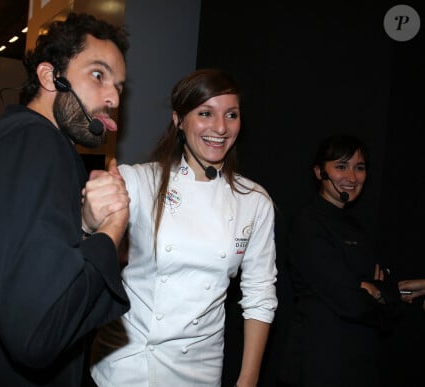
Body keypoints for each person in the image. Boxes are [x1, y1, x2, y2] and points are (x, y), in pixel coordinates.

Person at [0, 13, 131, 386]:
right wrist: (111, 230)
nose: (113, 97)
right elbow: (38, 332)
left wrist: (83, 224)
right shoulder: (34, 145)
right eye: (98, 75)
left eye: (118, 86)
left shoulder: (15, 142)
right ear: (50, 77)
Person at [89, 68, 278, 387]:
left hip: (199, 367)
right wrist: (91, 210)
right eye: (206, 113)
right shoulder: (139, 181)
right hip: (129, 362)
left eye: (231, 115)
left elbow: (260, 293)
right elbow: (90, 237)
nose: (220, 127)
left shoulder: (254, 201)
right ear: (179, 120)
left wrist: (248, 378)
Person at [278, 134, 401, 387]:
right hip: (320, 363)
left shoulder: (356, 226)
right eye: (341, 166)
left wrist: (376, 291)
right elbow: (349, 301)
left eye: (360, 167)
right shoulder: (308, 224)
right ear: (319, 171)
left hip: (359, 362)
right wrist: (377, 293)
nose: (352, 177)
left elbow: (387, 298)